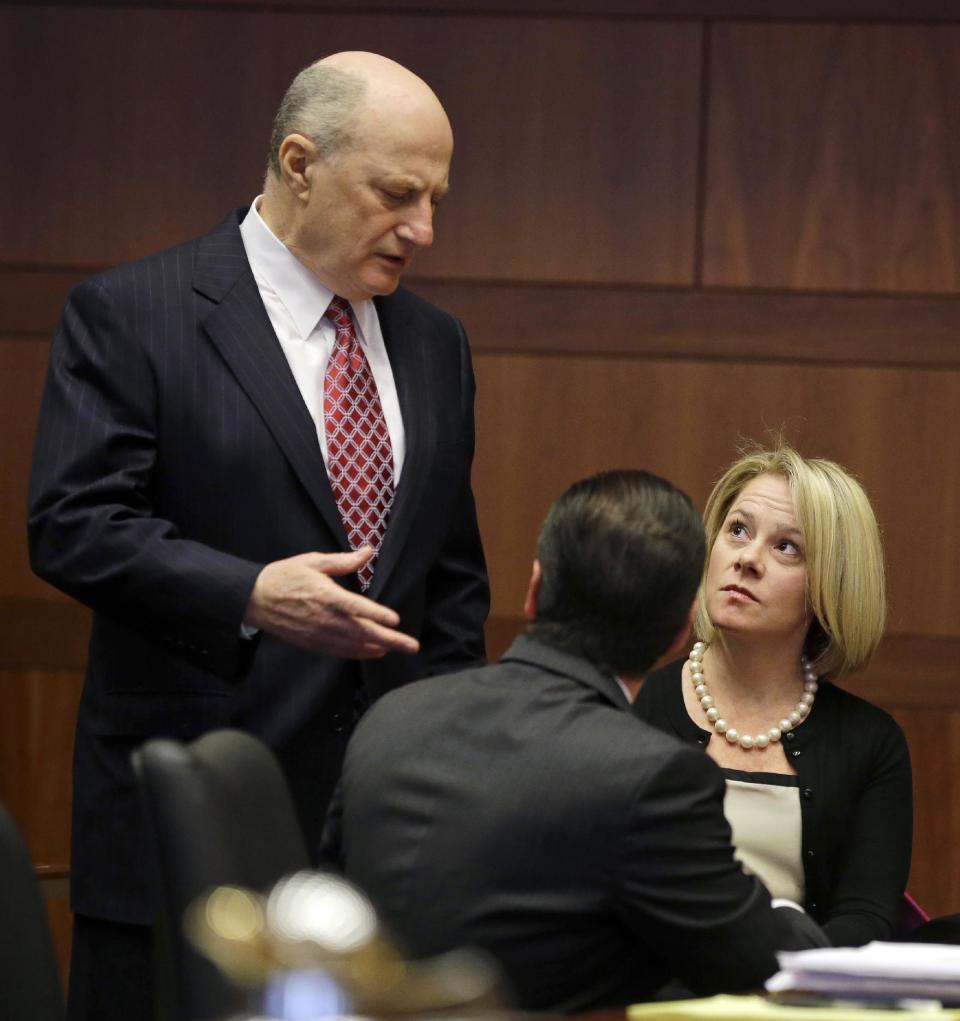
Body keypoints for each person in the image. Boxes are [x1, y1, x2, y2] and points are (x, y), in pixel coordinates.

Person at [28, 52, 489, 1021]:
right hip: (186, 833)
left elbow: (450, 586)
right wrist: (248, 593)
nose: (424, 230)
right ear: (300, 162)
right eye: (399, 193)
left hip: (382, 853)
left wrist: (450, 784)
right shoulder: (135, 313)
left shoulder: (436, 345)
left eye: (437, 198)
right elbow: (72, 525)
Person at [323, 470, 827, 1013]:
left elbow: (330, 905)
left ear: (535, 589)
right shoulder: (651, 779)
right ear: (680, 632)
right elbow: (765, 961)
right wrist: (790, 913)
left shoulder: (393, 716)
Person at [634, 442, 911, 947]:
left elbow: (865, 920)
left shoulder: (871, 744)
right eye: (738, 530)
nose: (747, 559)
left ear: (830, 585)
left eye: (787, 547)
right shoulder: (639, 706)